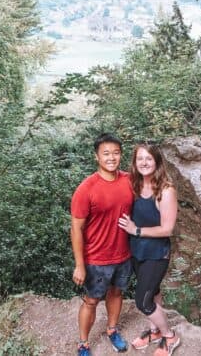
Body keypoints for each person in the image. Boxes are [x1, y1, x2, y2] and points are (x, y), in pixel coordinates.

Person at [71, 133, 134, 355]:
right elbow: (76, 228)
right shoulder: (86, 188)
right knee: (91, 300)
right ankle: (83, 343)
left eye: (116, 153)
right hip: (96, 258)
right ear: (96, 157)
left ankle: (112, 330)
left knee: (116, 293)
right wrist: (79, 264)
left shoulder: (129, 180)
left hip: (123, 254)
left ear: (121, 155)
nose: (111, 157)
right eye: (106, 153)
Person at [117, 143, 181, 356]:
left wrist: (136, 231)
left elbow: (167, 229)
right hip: (137, 252)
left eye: (149, 159)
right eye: (140, 159)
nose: (144, 163)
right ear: (135, 163)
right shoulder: (134, 185)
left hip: (156, 253)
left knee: (143, 302)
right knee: (153, 292)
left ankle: (169, 335)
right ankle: (154, 331)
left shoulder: (165, 190)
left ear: (157, 161)